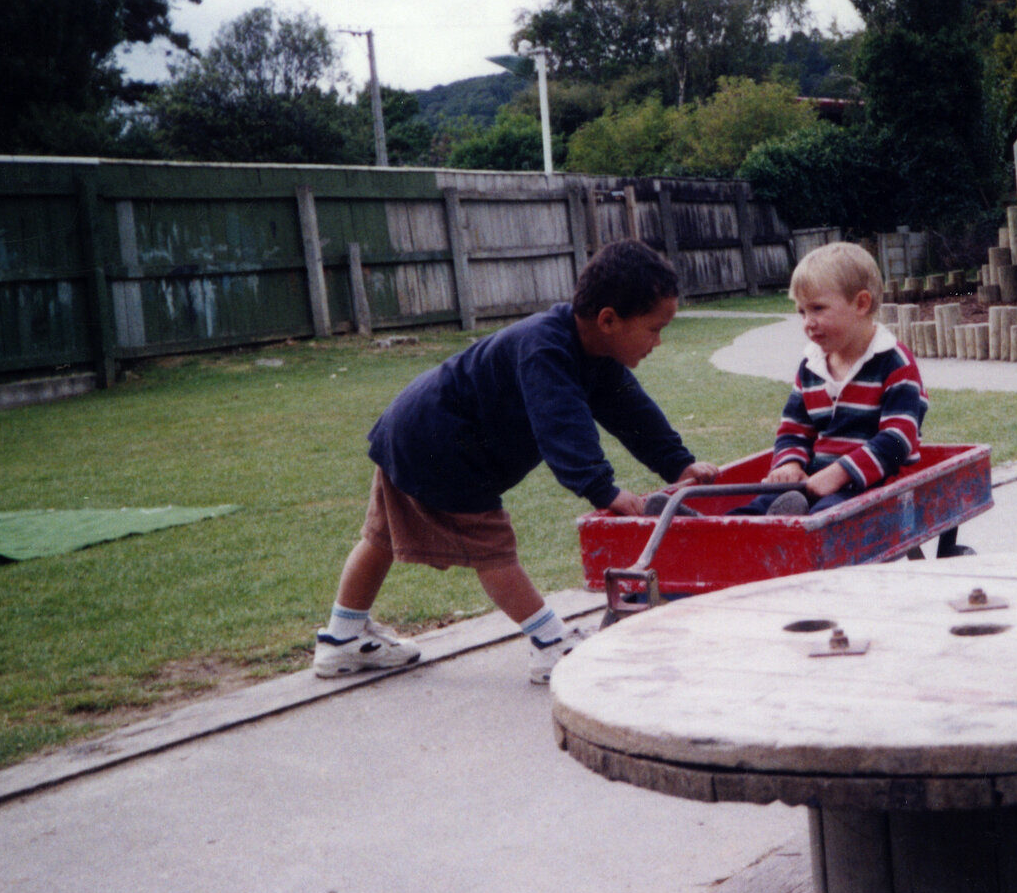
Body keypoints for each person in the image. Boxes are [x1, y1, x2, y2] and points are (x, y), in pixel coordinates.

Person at [314, 240, 719, 684]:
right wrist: (604, 490)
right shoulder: (547, 349)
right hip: (441, 441)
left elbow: (632, 412)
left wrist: (678, 465)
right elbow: (561, 424)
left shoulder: (595, 354)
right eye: (654, 329)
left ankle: (341, 637)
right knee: (492, 550)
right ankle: (550, 644)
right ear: (608, 320)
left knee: (381, 538)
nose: (658, 342)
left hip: (414, 427)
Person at [738, 241, 928, 518]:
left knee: (827, 516)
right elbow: (794, 429)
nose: (808, 322)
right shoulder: (811, 366)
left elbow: (899, 441)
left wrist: (840, 473)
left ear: (861, 303)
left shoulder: (894, 363)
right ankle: (712, 527)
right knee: (760, 504)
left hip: (877, 482)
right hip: (816, 478)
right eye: (802, 312)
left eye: (818, 308)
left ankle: (794, 522)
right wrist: (790, 464)